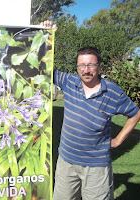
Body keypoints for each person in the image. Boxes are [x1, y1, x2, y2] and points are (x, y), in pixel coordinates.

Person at [41, 20, 140, 200]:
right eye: (81, 66)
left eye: (91, 65)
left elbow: (135, 113)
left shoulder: (112, 91)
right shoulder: (69, 82)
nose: (86, 70)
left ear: (99, 66)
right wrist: (45, 34)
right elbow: (42, 66)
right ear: (77, 67)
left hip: (96, 168)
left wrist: (118, 140)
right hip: (66, 163)